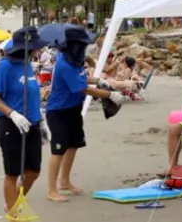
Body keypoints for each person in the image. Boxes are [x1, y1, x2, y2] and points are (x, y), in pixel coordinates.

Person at [45, 27, 125, 202]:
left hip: (73, 108)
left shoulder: (75, 61)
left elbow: (82, 78)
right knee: (58, 149)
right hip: (58, 111)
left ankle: (64, 181)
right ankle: (51, 189)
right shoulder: (64, 63)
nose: (84, 48)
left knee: (73, 145)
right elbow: (81, 88)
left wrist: (99, 80)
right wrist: (109, 94)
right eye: (82, 45)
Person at [0, 27, 50, 222]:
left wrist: (41, 121)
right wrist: (12, 114)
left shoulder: (28, 65)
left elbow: (32, 95)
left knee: (34, 170)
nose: (36, 51)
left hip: (31, 122)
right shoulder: (4, 67)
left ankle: (15, 198)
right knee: (12, 172)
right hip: (10, 125)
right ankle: (13, 215)